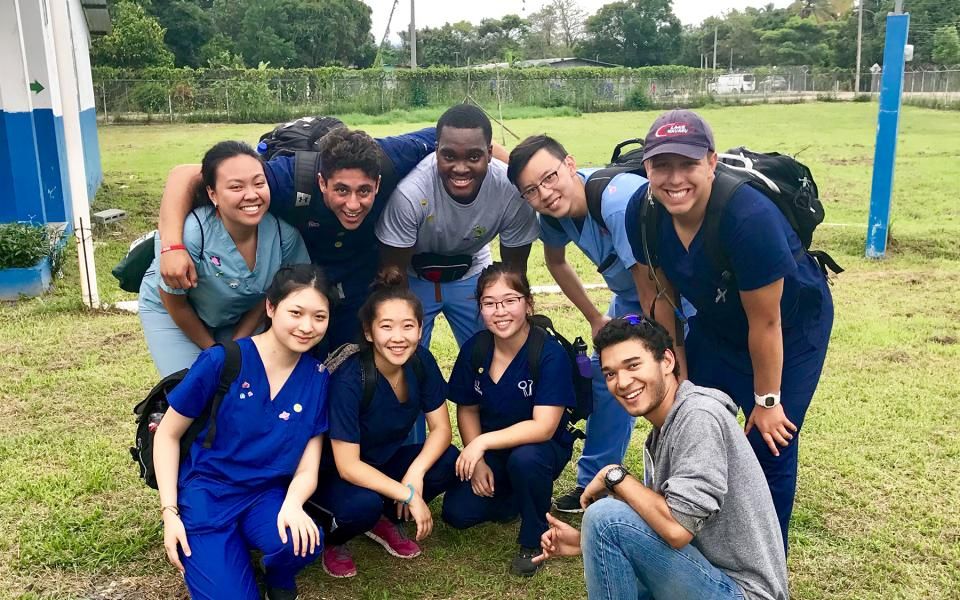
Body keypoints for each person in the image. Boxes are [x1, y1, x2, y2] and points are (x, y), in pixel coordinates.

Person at [628, 109, 834, 550]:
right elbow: (659, 296)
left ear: (712, 162)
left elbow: (767, 321)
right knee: (690, 420)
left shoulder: (748, 216)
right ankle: (699, 535)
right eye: (662, 165)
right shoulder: (643, 213)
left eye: (688, 164)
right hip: (718, 323)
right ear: (646, 167)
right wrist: (673, 368)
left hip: (792, 326)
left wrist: (767, 400)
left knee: (768, 442)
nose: (674, 178)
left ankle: (766, 569)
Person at [534, 316, 789, 600]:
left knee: (605, 516)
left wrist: (614, 476)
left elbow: (676, 529)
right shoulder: (664, 430)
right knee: (606, 525)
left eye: (633, 365)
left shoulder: (698, 417)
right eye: (610, 374)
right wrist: (587, 541)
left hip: (743, 593)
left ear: (667, 361)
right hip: (706, 576)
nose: (622, 382)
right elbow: (657, 526)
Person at [505, 134, 686, 513]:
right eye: (532, 191)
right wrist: (595, 318)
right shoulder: (554, 216)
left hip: (674, 300)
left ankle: (681, 487)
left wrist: (660, 351)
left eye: (550, 177)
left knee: (675, 388)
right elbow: (555, 262)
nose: (546, 193)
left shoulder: (615, 203)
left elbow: (650, 285)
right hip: (632, 299)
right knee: (610, 382)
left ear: (570, 164)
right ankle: (595, 480)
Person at [157, 125, 437, 349]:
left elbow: (452, 134)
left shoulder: (391, 158)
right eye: (341, 191)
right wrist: (172, 246)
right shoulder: (286, 178)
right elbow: (186, 174)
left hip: (359, 273)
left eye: (364, 191)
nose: (353, 204)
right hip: (303, 270)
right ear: (321, 182)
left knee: (354, 360)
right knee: (296, 356)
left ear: (378, 182)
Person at [153, 264, 333, 600]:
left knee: (303, 542)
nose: (307, 327)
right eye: (296, 312)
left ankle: (277, 574)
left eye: (319, 317)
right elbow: (167, 434)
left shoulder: (318, 378)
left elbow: (309, 465)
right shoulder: (225, 360)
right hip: (208, 492)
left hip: (264, 494)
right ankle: (220, 549)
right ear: (270, 307)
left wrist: (293, 505)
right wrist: (169, 513)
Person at [307, 268, 460, 579]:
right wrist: (406, 494)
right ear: (368, 332)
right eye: (386, 326)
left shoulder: (421, 362)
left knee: (447, 461)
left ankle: (380, 518)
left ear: (420, 329)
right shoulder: (351, 377)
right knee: (361, 505)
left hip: (380, 465)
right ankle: (334, 538)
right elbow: (348, 466)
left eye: (408, 326)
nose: (398, 337)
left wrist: (414, 476)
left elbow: (442, 429)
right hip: (330, 476)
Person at [441, 263, 576, 577]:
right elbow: (468, 407)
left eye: (510, 300)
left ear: (528, 304)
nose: (499, 312)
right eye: (489, 303)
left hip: (541, 449)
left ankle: (534, 536)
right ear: (480, 309)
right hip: (495, 451)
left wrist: (481, 444)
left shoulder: (548, 352)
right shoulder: (476, 348)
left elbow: (543, 427)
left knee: (526, 460)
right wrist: (479, 461)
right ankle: (516, 498)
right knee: (457, 513)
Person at [139, 141, 310, 376]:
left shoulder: (283, 236)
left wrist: (236, 345)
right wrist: (214, 353)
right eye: (236, 187)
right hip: (176, 313)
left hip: (240, 316)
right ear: (213, 194)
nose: (251, 195)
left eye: (259, 183)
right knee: (192, 388)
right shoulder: (193, 234)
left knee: (244, 384)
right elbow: (175, 303)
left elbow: (276, 293)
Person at [377, 104, 540, 350]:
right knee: (407, 354)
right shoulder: (410, 194)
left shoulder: (511, 192)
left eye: (474, 157)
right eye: (449, 156)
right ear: (436, 152)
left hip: (472, 271)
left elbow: (514, 271)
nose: (461, 168)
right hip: (413, 276)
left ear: (489, 152)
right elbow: (394, 274)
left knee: (495, 349)